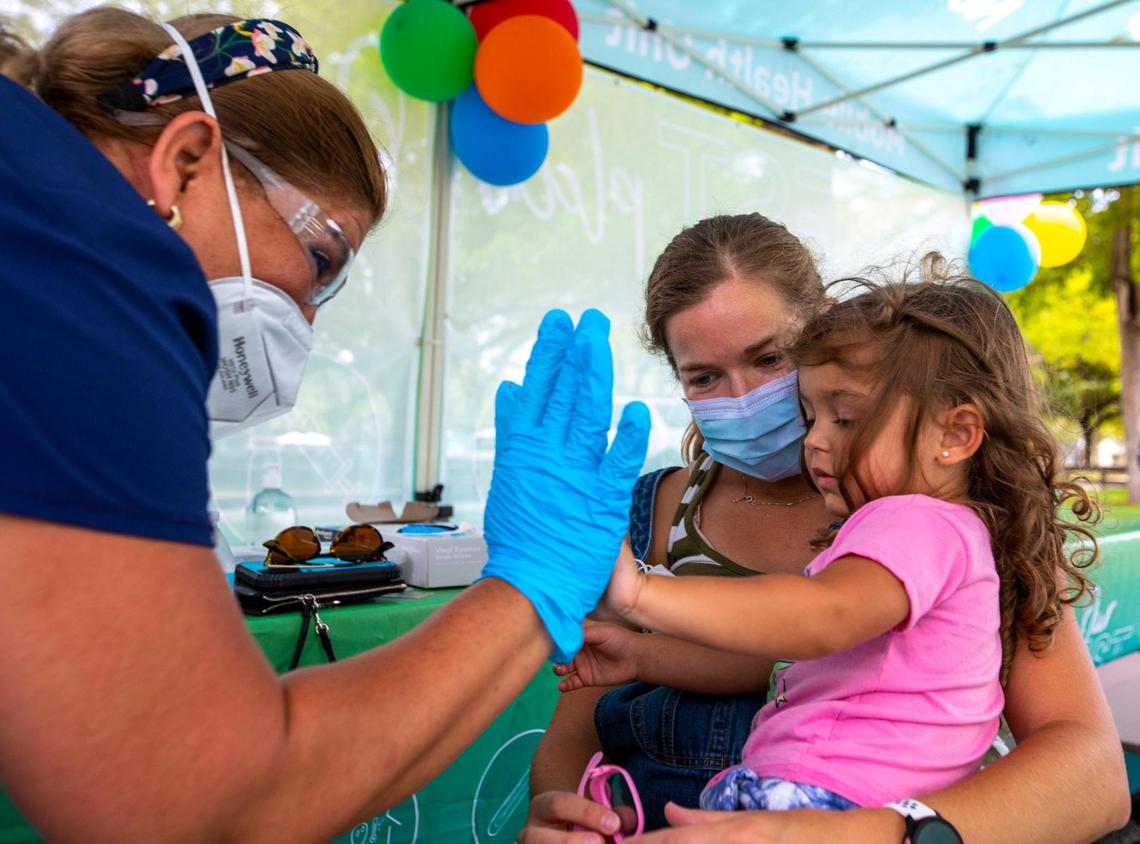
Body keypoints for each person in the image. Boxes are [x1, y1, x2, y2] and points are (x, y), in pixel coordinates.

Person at [0, 9, 648, 842]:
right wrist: (532, 587)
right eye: (319, 260)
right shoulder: (78, 286)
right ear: (186, 159)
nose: (304, 320)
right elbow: (208, 800)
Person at [522, 215, 1130, 844]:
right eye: (704, 377)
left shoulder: (957, 515)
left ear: (828, 331)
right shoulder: (645, 515)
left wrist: (878, 834)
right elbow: (574, 733)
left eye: (769, 358)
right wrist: (565, 814)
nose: (745, 397)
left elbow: (1091, 774)